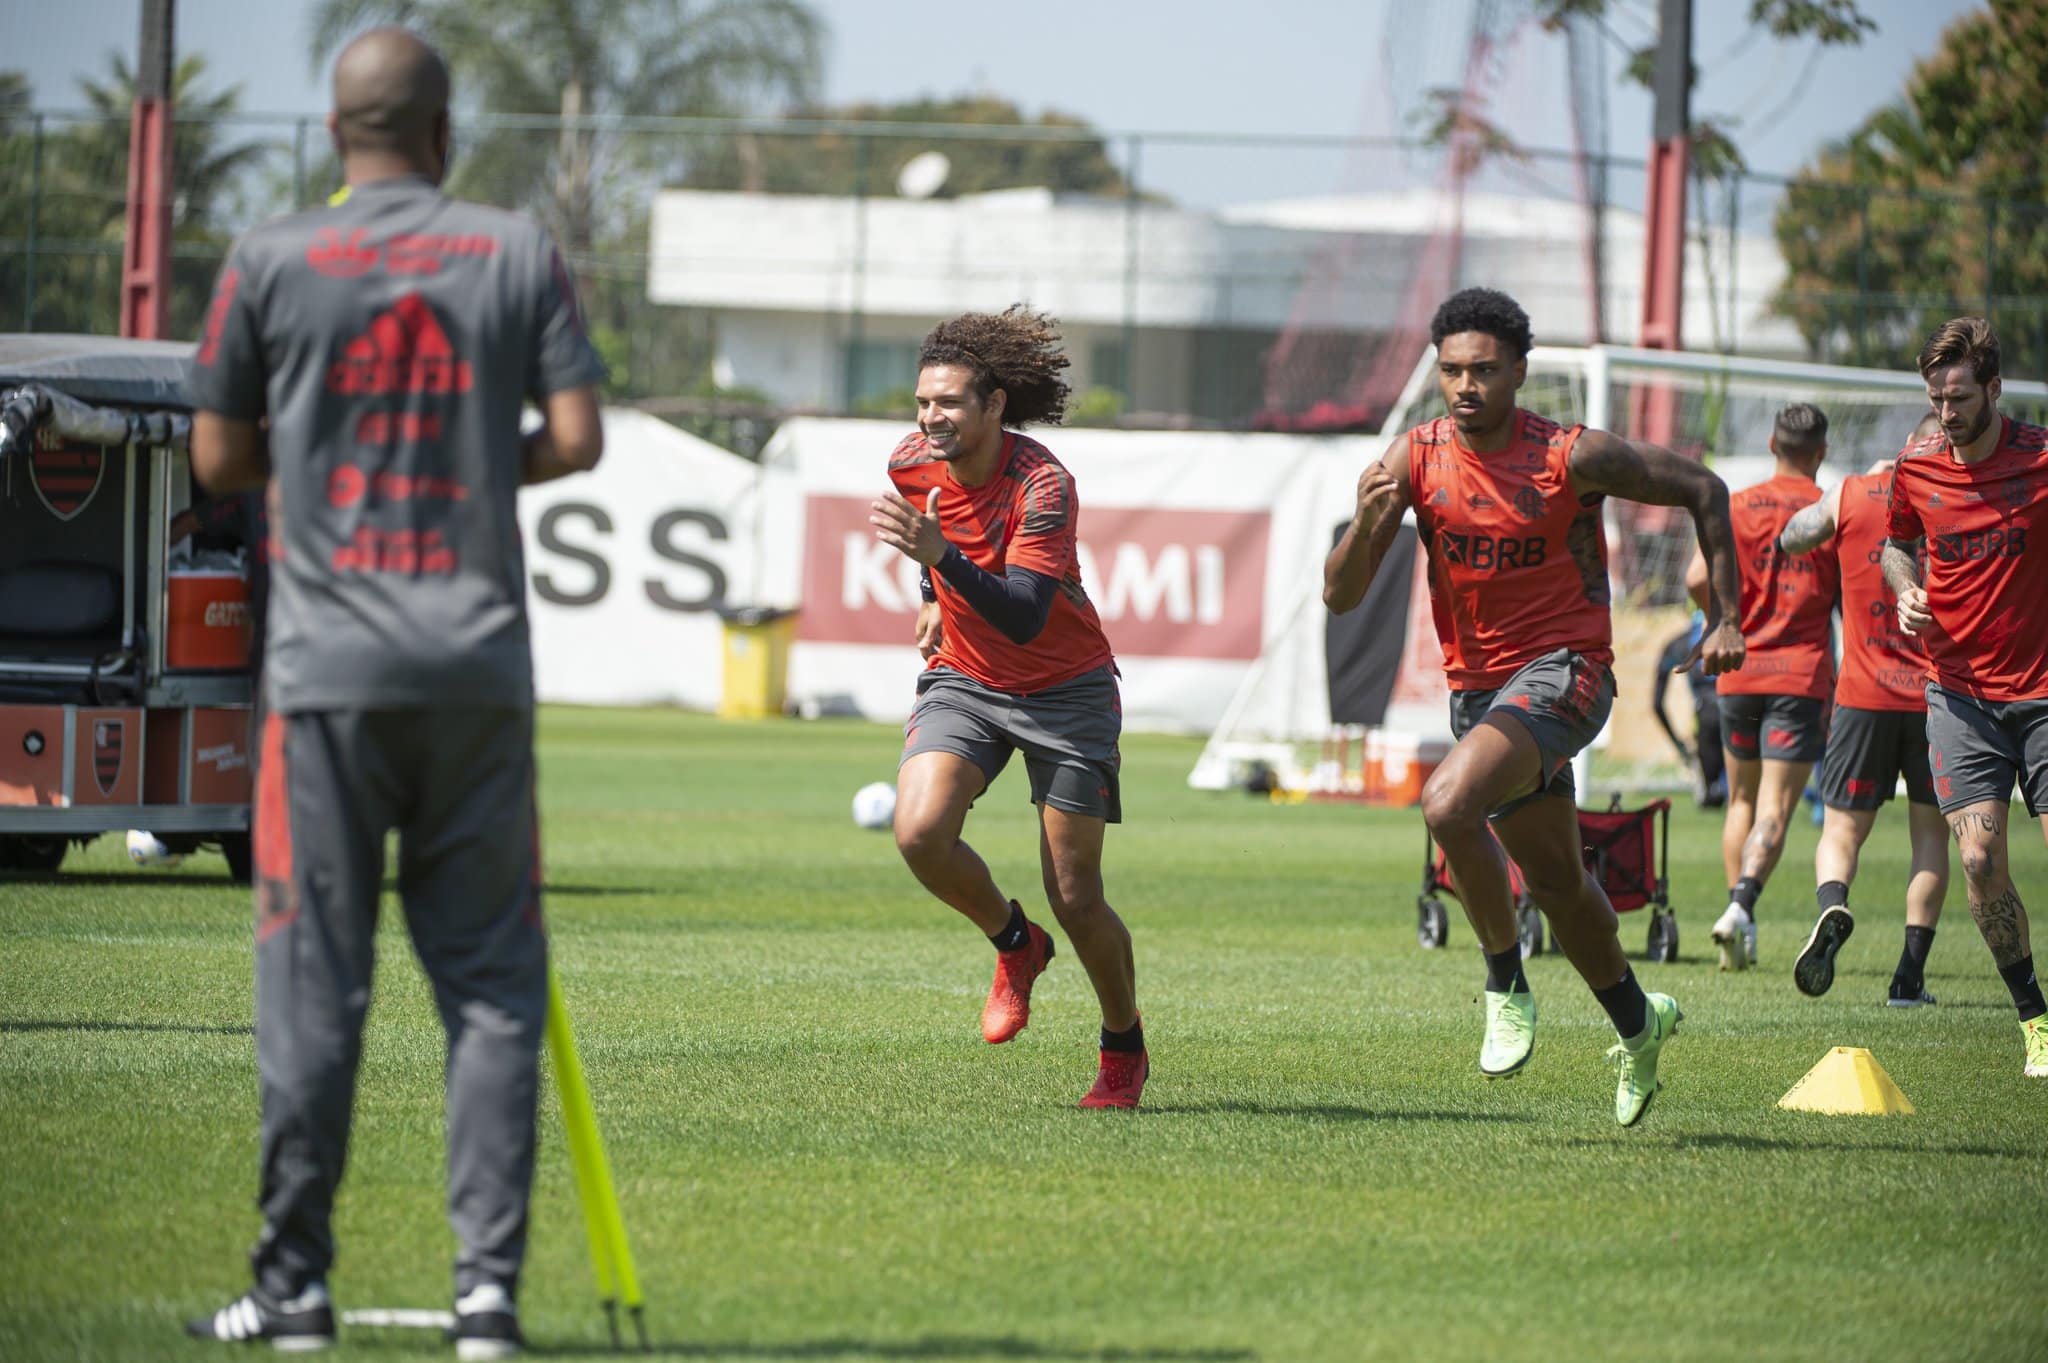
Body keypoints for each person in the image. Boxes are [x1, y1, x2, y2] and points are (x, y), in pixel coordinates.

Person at [183, 28, 606, 1355]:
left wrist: (315, 467)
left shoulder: (266, 257)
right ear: (444, 133)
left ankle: (293, 1283)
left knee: (315, 985)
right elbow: (580, 437)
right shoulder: (516, 249)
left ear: (332, 136)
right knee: (489, 988)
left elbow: (217, 454)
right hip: (477, 667)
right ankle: (486, 1295)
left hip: (324, 676)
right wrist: (481, 467)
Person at [1324, 287, 1744, 1126]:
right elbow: (1340, 597)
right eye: (1451, 371)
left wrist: (1728, 617)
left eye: (1484, 369)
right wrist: (1366, 527)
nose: (1466, 385)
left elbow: (1705, 488)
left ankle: (1504, 980)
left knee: (1447, 803)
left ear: (1519, 371)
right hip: (1480, 694)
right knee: (1558, 880)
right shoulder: (1414, 459)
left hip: (1569, 672)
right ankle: (1639, 1021)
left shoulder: (1573, 456)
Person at [868, 306, 1146, 1110]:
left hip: (1067, 690)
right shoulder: (910, 461)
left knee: (1077, 893)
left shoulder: (1044, 484)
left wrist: (938, 563)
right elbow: (934, 531)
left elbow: (1025, 609)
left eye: (950, 402)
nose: (931, 418)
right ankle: (1014, 943)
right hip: (967, 678)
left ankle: (1122, 1044)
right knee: (919, 831)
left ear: (994, 405)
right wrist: (931, 588)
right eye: (923, 402)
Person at [1883, 317, 2048, 1078]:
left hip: (2044, 694)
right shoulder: (1915, 470)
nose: (1946, 413)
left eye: (1958, 397)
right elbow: (1895, 542)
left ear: (1993, 388)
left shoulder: (2041, 458)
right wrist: (1907, 586)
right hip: (1960, 697)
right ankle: (2035, 1021)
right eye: (1935, 398)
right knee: (1978, 859)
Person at [1780, 413, 1949, 1005]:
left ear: (1905, 448)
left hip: (1863, 697)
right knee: (1929, 838)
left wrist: (1851, 492)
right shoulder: (1962, 503)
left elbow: (1793, 536)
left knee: (1842, 829)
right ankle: (1908, 977)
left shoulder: (1855, 492)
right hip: (1938, 697)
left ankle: (1834, 905)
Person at [1685, 404, 1839, 971]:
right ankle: (1742, 909)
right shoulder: (1828, 511)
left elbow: (1698, 578)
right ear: (1819, 453)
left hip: (1738, 670)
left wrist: (1717, 625)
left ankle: (1737, 922)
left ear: (1773, 443)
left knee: (1741, 799)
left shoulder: (1739, 503)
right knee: (1776, 804)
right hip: (1799, 675)